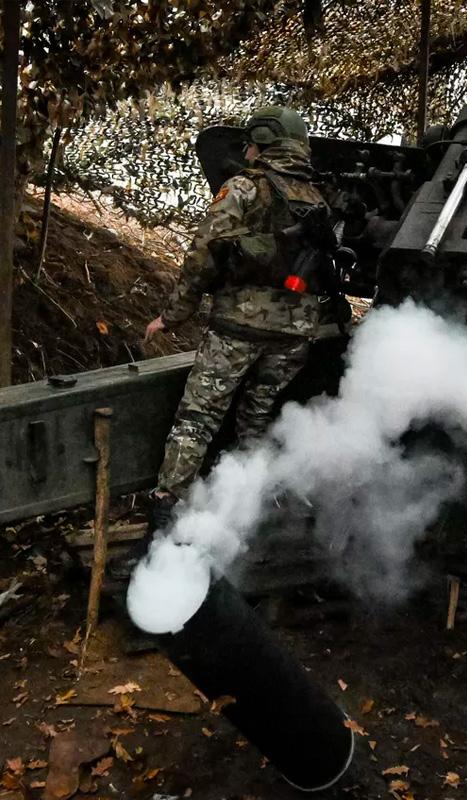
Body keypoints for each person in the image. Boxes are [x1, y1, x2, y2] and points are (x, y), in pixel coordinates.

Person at [141, 106, 336, 534]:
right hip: (295, 332)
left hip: (238, 324)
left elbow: (203, 253)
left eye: (250, 141)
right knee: (258, 417)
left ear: (264, 141)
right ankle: (247, 504)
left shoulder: (243, 188)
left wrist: (172, 316)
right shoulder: (318, 198)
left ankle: (166, 504)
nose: (246, 150)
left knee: (199, 416)